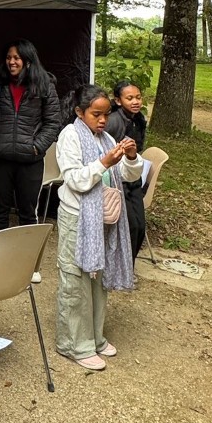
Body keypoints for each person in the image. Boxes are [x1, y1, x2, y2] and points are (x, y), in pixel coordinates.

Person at [55, 83, 143, 372]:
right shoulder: (70, 136)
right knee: (76, 280)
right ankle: (74, 345)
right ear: (80, 112)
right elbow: (75, 179)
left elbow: (127, 176)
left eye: (106, 114)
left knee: (98, 279)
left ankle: (95, 337)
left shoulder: (106, 138)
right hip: (77, 218)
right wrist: (104, 162)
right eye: (96, 114)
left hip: (103, 218)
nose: (103, 120)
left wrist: (131, 157)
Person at [0, 39, 61, 232]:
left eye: (17, 58)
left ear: (28, 60)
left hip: (30, 162)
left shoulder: (44, 85)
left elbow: (53, 122)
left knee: (28, 214)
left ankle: (26, 252)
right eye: (8, 57)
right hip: (1, 160)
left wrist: (36, 147)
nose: (11, 62)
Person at [106, 80, 148, 262]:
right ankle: (120, 266)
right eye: (129, 98)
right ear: (118, 100)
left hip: (133, 178)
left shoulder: (139, 119)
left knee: (140, 226)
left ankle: (128, 267)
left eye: (138, 97)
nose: (135, 102)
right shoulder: (113, 121)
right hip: (117, 180)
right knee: (129, 226)